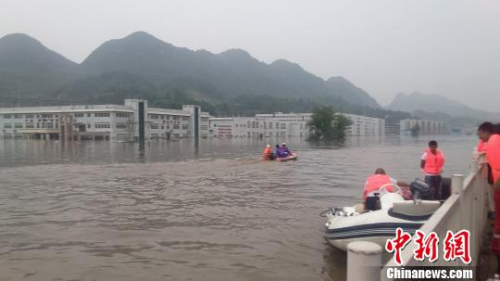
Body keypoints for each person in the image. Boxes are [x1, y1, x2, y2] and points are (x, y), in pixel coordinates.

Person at [478, 122, 500, 275]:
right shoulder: (495, 141)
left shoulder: (493, 141)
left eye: (480, 133)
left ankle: (497, 249)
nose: (479, 137)